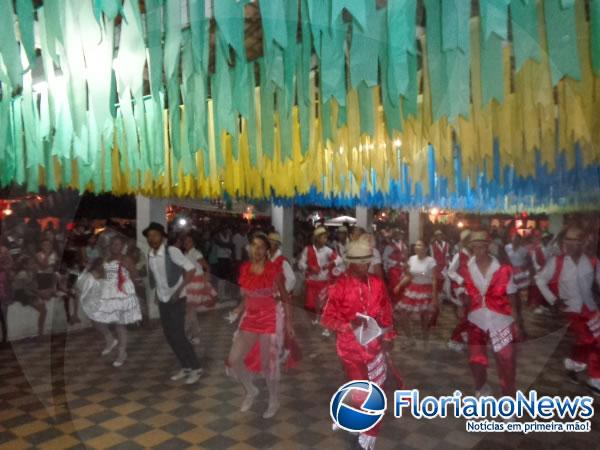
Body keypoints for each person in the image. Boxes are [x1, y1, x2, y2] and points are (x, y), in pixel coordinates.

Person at [321, 240, 396, 450]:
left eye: (367, 261)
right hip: (350, 348)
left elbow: (386, 312)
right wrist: (347, 325)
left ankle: (365, 427)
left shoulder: (378, 283)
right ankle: (364, 426)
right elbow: (327, 318)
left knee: (376, 387)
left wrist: (389, 337)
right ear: (350, 263)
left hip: (374, 345)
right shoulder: (340, 286)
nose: (365, 266)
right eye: (359, 262)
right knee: (363, 390)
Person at [226, 233, 294, 419]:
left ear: (267, 250)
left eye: (261, 247)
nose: (257, 250)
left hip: (269, 319)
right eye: (254, 245)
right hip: (250, 318)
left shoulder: (274, 270)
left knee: (267, 365)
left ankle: (274, 400)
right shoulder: (245, 268)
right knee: (233, 359)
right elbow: (247, 296)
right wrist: (237, 310)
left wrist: (288, 322)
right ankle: (251, 390)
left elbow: (285, 298)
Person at [535, 226, 600, 394]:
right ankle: (596, 380)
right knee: (589, 340)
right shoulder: (557, 262)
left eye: (575, 240)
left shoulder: (593, 261)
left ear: (583, 242)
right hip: (570, 309)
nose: (569, 244)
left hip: (591, 308)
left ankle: (573, 362)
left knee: (593, 340)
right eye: (567, 240)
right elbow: (539, 279)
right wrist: (553, 300)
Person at [461, 231, 520, 398]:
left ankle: (508, 399)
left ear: (488, 247)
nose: (478, 251)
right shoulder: (467, 267)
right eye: (474, 247)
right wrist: (461, 302)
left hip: (500, 319)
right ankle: (481, 387)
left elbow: (512, 293)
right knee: (475, 359)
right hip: (476, 319)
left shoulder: (502, 269)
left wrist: (516, 319)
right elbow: (465, 289)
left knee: (506, 360)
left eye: (481, 247)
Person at [144, 222, 202, 384]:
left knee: (178, 335)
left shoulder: (172, 251)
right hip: (163, 299)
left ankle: (196, 368)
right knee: (169, 335)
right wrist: (157, 293)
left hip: (177, 299)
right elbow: (157, 277)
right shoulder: (150, 254)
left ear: (162, 237)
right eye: (149, 236)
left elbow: (190, 269)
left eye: (155, 235)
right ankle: (185, 367)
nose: (151, 238)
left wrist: (179, 290)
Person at [82, 236, 141, 367]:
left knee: (120, 324)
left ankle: (122, 352)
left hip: (121, 294)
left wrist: (131, 289)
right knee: (96, 317)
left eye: (118, 244)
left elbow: (136, 276)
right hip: (108, 292)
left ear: (123, 246)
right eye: (113, 244)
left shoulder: (126, 259)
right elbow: (103, 275)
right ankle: (110, 339)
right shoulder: (106, 259)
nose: (115, 246)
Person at [298, 226, 344, 336]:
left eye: (326, 238)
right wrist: (309, 267)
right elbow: (300, 264)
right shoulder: (307, 249)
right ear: (317, 238)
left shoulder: (328, 250)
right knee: (311, 305)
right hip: (312, 282)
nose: (325, 240)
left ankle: (326, 328)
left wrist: (330, 264)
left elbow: (339, 259)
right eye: (323, 237)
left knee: (324, 306)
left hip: (324, 281)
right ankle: (315, 322)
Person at [394, 240, 438, 349]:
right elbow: (409, 276)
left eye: (420, 245)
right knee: (402, 315)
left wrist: (434, 296)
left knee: (424, 318)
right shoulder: (412, 259)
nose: (417, 247)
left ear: (426, 248)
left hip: (425, 289)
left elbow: (434, 279)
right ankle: (410, 339)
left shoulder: (430, 261)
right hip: (413, 288)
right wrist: (399, 285)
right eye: (416, 245)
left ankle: (425, 341)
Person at [181, 232, 216, 344]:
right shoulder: (185, 254)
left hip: (196, 282)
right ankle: (192, 333)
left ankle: (193, 334)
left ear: (193, 243)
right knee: (189, 310)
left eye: (189, 241)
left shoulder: (196, 253)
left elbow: (207, 267)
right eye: (185, 241)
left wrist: (206, 281)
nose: (187, 243)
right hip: (188, 282)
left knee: (190, 310)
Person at [446, 229, 471, 352]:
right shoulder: (459, 255)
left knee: (471, 316)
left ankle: (462, 338)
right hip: (462, 289)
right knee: (468, 315)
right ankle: (455, 339)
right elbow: (450, 271)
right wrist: (461, 280)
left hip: (474, 289)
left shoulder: (477, 255)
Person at [12, 257, 49, 337]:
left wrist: (40, 294)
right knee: (43, 309)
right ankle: (40, 332)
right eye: (31, 263)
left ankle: (40, 331)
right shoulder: (23, 273)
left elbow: (33, 286)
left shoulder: (30, 273)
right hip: (20, 293)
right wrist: (40, 294)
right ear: (25, 265)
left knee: (44, 309)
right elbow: (28, 288)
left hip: (27, 292)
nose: (33, 265)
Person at [382, 228, 409, 305]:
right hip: (393, 269)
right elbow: (384, 258)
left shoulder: (403, 245)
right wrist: (394, 262)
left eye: (400, 235)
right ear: (394, 236)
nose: (399, 236)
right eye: (397, 235)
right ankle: (394, 301)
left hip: (402, 268)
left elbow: (406, 255)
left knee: (403, 285)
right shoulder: (389, 246)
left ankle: (401, 301)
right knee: (395, 285)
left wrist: (405, 262)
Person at [429, 230, 450, 299]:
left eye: (440, 235)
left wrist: (447, 263)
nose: (439, 237)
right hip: (437, 266)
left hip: (444, 267)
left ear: (442, 236)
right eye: (437, 235)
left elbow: (447, 254)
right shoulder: (432, 245)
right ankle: (436, 297)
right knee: (437, 282)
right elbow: (432, 256)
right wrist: (434, 266)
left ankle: (443, 298)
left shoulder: (446, 244)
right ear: (435, 237)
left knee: (444, 282)